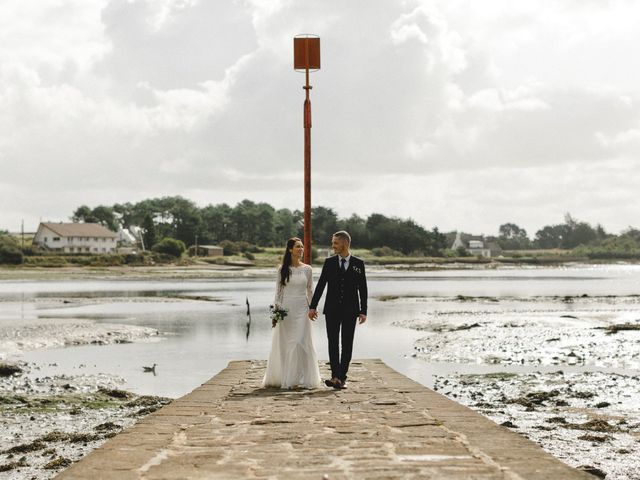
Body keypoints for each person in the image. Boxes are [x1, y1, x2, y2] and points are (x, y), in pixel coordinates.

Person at [309, 231, 368, 389]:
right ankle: (335, 376)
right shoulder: (329, 263)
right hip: (332, 309)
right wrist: (313, 306)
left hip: (351, 310)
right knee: (333, 343)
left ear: (345, 244)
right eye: (333, 243)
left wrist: (364, 311)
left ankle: (342, 377)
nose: (332, 246)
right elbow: (321, 285)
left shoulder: (358, 264)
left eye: (335, 243)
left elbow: (363, 289)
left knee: (347, 344)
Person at [263, 237, 321, 389]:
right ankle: (288, 378)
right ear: (290, 249)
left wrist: (313, 308)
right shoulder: (282, 269)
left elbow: (310, 290)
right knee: (288, 343)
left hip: (302, 309)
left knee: (301, 341)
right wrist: (276, 312)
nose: (301, 249)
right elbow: (278, 292)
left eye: (302, 247)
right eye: (297, 247)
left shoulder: (307, 269)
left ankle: (302, 378)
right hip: (286, 310)